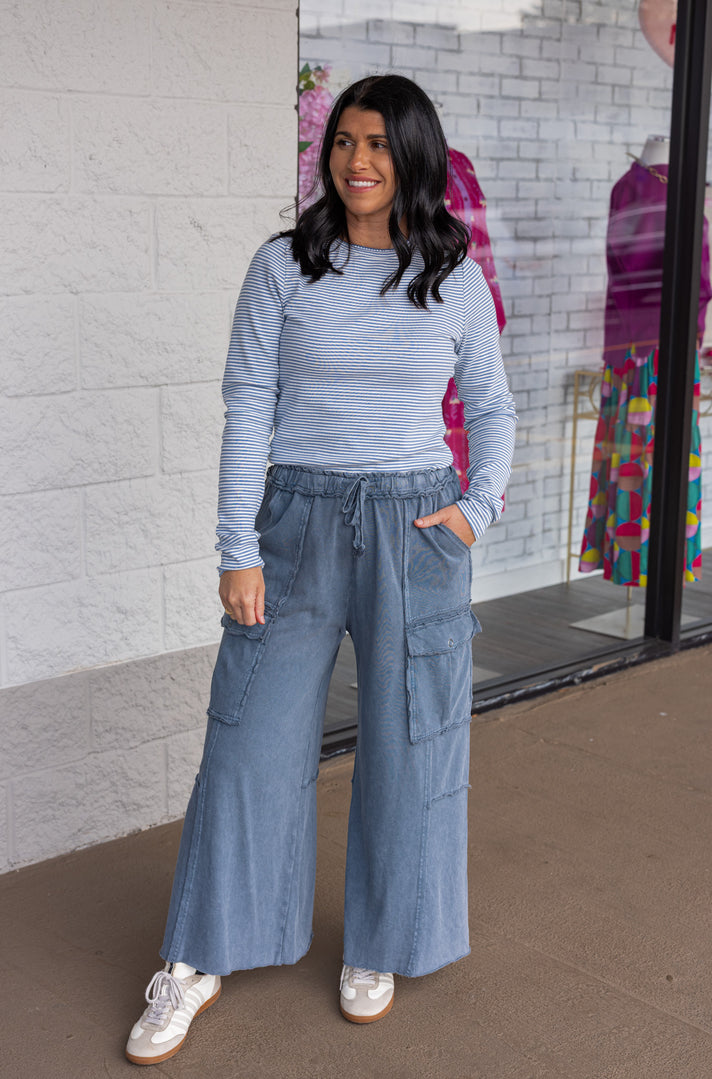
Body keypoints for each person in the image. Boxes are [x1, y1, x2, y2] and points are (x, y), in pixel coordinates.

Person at [125, 74, 516, 1066]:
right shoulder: (283, 265)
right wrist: (237, 549)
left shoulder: (453, 274)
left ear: (414, 155)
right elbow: (246, 406)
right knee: (248, 741)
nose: (357, 161)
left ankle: (381, 941)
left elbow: (495, 408)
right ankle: (197, 954)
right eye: (344, 141)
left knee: (411, 745)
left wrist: (474, 512)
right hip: (295, 519)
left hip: (415, 523)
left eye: (379, 144)